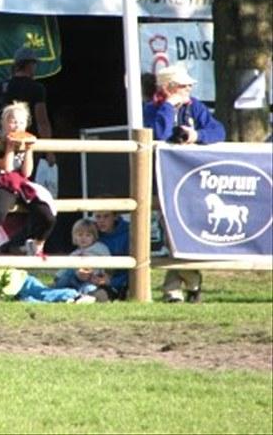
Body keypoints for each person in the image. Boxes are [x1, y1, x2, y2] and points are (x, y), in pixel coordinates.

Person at [143, 63, 226, 303]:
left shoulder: (196, 107)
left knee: (183, 232)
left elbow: (218, 130)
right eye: (183, 85)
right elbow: (158, 133)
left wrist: (196, 135)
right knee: (171, 232)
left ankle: (179, 288)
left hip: (190, 180)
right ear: (169, 88)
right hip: (162, 179)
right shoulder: (152, 109)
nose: (189, 88)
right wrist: (168, 107)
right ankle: (187, 284)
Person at [0, 101, 56, 256]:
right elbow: (7, 168)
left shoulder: (26, 142)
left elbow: (26, 172)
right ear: (4, 123)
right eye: (12, 121)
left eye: (21, 122)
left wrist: (28, 150)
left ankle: (38, 242)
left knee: (47, 215)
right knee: (0, 211)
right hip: (3, 182)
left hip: (22, 184)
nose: (16, 126)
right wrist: (10, 146)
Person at [0, 46, 56, 167]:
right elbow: (42, 122)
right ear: (30, 65)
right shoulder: (37, 88)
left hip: (5, 141)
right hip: (28, 144)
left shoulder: (2, 86)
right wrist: (49, 151)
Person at [0, 267, 96, 304]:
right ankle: (68, 302)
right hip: (15, 296)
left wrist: (1, 298)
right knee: (29, 302)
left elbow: (13, 282)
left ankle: (75, 295)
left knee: (44, 294)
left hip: (24, 284)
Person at [54, 218, 111, 300]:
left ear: (94, 237)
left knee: (90, 288)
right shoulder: (74, 253)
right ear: (75, 237)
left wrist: (102, 277)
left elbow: (109, 266)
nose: (83, 238)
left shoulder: (100, 248)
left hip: (91, 279)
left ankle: (82, 296)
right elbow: (63, 271)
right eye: (80, 235)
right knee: (69, 272)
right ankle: (57, 291)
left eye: (88, 235)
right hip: (73, 279)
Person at [94, 210, 130, 300]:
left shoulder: (129, 232)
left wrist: (111, 281)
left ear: (115, 216)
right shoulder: (92, 232)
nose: (101, 221)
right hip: (96, 278)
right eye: (98, 217)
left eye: (106, 216)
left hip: (123, 280)